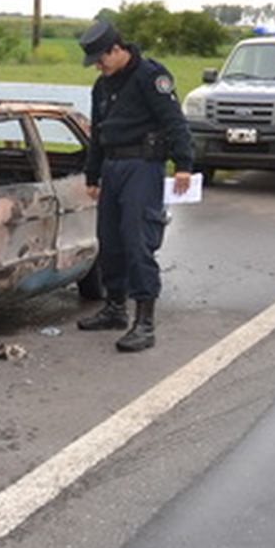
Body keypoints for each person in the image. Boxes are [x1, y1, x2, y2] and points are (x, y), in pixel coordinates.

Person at [77, 19, 194, 352]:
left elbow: (175, 122)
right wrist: (92, 174)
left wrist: (183, 165)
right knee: (109, 240)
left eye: (101, 59)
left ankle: (144, 322)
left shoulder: (149, 77)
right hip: (113, 167)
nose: (99, 66)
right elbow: (98, 133)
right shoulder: (102, 85)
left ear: (117, 49)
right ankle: (115, 307)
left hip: (142, 167)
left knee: (137, 239)